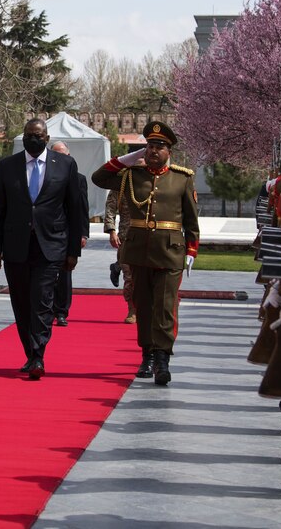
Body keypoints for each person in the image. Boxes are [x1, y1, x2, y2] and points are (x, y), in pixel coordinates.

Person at [91, 121, 199, 385]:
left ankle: (162, 358)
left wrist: (192, 250)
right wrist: (129, 158)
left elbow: (191, 220)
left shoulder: (182, 178)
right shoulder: (131, 176)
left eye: (159, 147)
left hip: (170, 251)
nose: (153, 151)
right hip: (139, 251)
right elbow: (99, 178)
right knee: (144, 305)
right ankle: (147, 354)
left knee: (164, 308)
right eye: (149, 146)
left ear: (169, 151)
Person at [0, 118, 82, 380]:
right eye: (29, 135)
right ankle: (30, 352)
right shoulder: (8, 166)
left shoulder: (65, 165)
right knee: (21, 302)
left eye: (38, 136)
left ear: (47, 138)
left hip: (50, 246)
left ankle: (38, 354)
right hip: (16, 246)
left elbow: (75, 209)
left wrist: (73, 250)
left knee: (42, 301)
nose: (34, 139)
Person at [49, 141, 89, 327]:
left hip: (67, 232)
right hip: (47, 232)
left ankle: (62, 311)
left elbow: (82, 208)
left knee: (65, 273)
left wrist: (83, 233)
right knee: (46, 274)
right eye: (57, 154)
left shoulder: (78, 179)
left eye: (64, 155)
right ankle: (46, 309)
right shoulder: (44, 176)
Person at [104, 189, 136, 323]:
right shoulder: (122, 184)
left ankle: (117, 266)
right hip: (126, 238)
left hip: (148, 239)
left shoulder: (153, 182)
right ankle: (132, 309)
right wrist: (111, 231)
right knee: (130, 277)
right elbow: (110, 208)